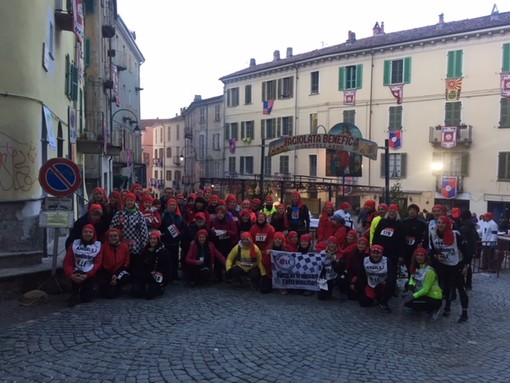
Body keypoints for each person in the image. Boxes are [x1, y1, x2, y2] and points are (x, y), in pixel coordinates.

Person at [429, 215, 470, 323]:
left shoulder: (455, 235)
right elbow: (432, 250)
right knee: (444, 287)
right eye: (439, 222)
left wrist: (466, 265)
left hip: (457, 264)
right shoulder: (433, 235)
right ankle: (446, 306)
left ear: (447, 224)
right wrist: (436, 256)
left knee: (460, 288)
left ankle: (464, 313)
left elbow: (466, 251)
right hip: (443, 264)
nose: (440, 225)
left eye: (443, 223)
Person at [63, 224, 103, 307]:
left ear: (93, 234)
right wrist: (71, 274)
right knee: (77, 275)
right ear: (82, 233)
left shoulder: (98, 245)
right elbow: (68, 262)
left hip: (90, 272)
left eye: (90, 232)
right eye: (85, 232)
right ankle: (74, 293)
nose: (87, 234)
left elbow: (97, 263)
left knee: (86, 298)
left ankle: (88, 290)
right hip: (77, 270)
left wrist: (87, 275)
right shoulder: (74, 244)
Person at [402, 248, 443, 321]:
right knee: (406, 298)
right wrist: (409, 291)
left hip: (433, 298)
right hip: (424, 295)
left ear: (425, 257)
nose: (419, 257)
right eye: (417, 255)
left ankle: (434, 310)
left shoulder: (429, 271)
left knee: (409, 301)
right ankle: (418, 308)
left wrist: (412, 296)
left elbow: (426, 289)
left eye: (421, 255)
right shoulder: (416, 268)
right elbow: (412, 280)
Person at [110, 192, 149, 261]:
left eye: (131, 200)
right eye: (128, 200)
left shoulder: (140, 215)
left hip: (136, 247)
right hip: (121, 246)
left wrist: (144, 247)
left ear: (134, 202)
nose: (129, 202)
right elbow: (112, 228)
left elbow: (144, 232)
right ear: (125, 202)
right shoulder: (119, 214)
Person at [131, 230, 170, 299]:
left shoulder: (164, 252)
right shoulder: (146, 250)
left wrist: (163, 281)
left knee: (149, 296)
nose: (152, 241)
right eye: (151, 238)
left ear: (158, 240)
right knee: (135, 293)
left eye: (154, 238)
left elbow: (167, 268)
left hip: (157, 276)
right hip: (146, 274)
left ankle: (159, 287)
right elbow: (139, 266)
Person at [358, 244, 395, 313]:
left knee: (389, 285)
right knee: (363, 303)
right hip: (370, 285)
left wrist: (387, 282)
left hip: (383, 285)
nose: (375, 255)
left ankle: (383, 300)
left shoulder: (387, 261)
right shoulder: (365, 260)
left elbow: (392, 276)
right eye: (373, 253)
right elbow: (362, 275)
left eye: (378, 253)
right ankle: (375, 299)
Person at [96, 228, 131, 298]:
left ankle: (117, 286)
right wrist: (110, 277)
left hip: (119, 271)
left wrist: (116, 274)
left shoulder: (125, 246)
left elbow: (126, 262)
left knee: (126, 277)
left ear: (119, 237)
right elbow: (100, 263)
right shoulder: (103, 247)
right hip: (106, 272)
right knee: (107, 294)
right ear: (108, 238)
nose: (113, 238)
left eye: (115, 236)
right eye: (111, 236)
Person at [209, 205, 239, 282]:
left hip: (227, 242)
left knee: (228, 259)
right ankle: (218, 276)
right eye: (218, 213)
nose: (219, 214)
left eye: (221, 213)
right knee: (217, 260)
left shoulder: (230, 221)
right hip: (218, 242)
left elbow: (235, 232)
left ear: (224, 213)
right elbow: (211, 232)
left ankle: (228, 275)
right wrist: (212, 231)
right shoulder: (214, 221)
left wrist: (226, 232)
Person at [160, 198, 185, 283]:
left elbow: (182, 227)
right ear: (167, 205)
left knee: (175, 260)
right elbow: (161, 226)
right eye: (170, 205)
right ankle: (168, 276)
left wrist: (180, 235)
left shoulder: (179, 216)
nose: (172, 206)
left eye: (174, 205)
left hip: (175, 242)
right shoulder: (163, 215)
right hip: (166, 241)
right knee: (167, 260)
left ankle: (175, 275)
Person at [458, 210, 479, 290]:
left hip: (464, 250)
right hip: (471, 250)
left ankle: (462, 283)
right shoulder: (472, 226)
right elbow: (477, 237)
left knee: (462, 266)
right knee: (468, 266)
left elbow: (462, 240)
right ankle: (468, 284)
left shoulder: (464, 227)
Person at [401, 204, 427, 268]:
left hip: (416, 248)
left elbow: (425, 235)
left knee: (417, 266)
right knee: (408, 266)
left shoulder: (422, 223)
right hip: (406, 249)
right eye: (410, 210)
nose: (412, 212)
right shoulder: (404, 221)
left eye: (414, 210)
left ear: (417, 212)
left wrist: (421, 244)